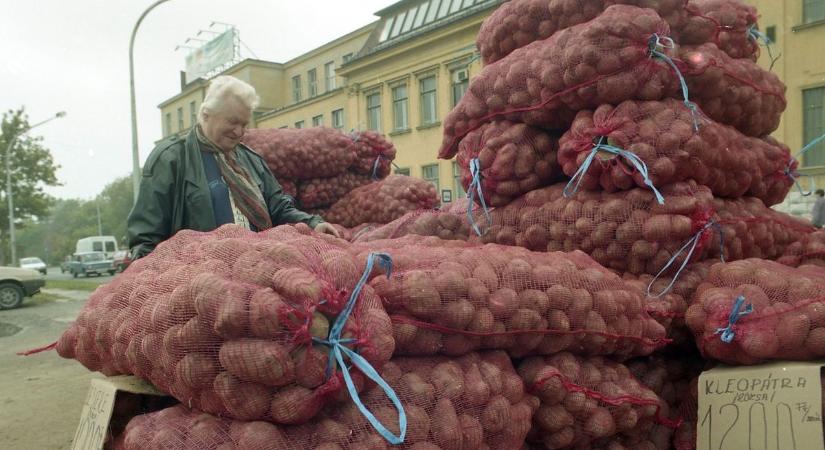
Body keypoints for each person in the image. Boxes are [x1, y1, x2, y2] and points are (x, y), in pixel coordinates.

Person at [127, 75, 339, 259]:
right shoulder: (171, 159)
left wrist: (312, 223)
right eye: (232, 122)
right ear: (206, 115)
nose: (239, 131)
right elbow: (146, 237)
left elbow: (278, 207)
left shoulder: (251, 161)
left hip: (253, 270)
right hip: (199, 283)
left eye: (244, 124)